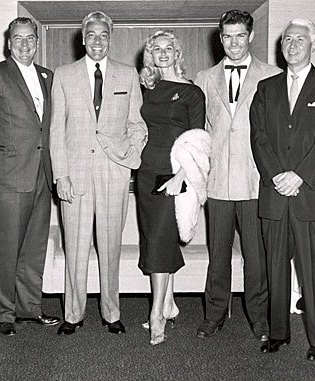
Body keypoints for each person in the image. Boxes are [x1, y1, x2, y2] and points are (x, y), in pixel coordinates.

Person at [250, 17, 315, 361]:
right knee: (275, 268)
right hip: (275, 193)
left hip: (312, 195)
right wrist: (279, 175)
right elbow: (259, 138)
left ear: (312, 44)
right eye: (287, 40)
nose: (292, 45)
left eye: (299, 40)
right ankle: (278, 332)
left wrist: (299, 176)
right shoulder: (266, 89)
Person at [51, 11, 147, 335]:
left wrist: (129, 157)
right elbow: (55, 130)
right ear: (82, 38)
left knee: (110, 247)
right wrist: (60, 175)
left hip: (113, 174)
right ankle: (73, 314)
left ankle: (111, 312)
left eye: (103, 35)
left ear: (110, 38)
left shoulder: (127, 74)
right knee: (75, 248)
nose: (97, 41)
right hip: (74, 175)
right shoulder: (63, 75)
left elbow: (137, 124)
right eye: (91, 34)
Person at [194, 9, 282, 341]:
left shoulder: (273, 75)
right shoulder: (203, 78)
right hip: (216, 182)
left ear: (251, 36)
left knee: (255, 256)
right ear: (220, 38)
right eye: (227, 36)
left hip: (255, 180)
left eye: (240, 36)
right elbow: (199, 132)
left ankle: (260, 318)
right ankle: (214, 314)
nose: (233, 42)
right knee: (217, 254)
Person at [0, 17, 60, 336]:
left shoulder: (47, 76)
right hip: (9, 175)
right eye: (18, 39)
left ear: (37, 42)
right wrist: (4, 157)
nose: (25, 45)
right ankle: (4, 313)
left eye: (30, 39)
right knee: (6, 248)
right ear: (9, 43)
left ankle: (29, 308)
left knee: (34, 247)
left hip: (42, 174)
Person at [138, 31, 207, 345]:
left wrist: (182, 175)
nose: (163, 53)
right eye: (157, 49)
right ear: (150, 54)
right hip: (146, 171)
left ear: (178, 53)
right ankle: (169, 303)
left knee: (160, 238)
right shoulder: (146, 88)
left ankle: (156, 314)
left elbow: (198, 140)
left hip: (175, 173)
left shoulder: (192, 93)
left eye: (169, 48)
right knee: (156, 236)